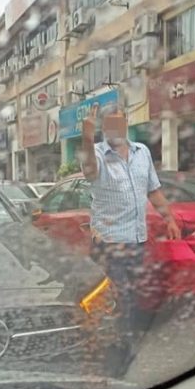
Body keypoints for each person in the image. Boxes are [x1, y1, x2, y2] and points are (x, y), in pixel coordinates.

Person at [81, 105, 181, 347]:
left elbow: (153, 190)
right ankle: (115, 346)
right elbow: (90, 171)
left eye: (119, 123)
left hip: (137, 241)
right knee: (118, 297)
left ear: (126, 124)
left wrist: (169, 219)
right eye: (109, 124)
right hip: (109, 243)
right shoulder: (97, 154)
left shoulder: (142, 152)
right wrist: (86, 137)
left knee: (135, 296)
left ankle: (128, 341)